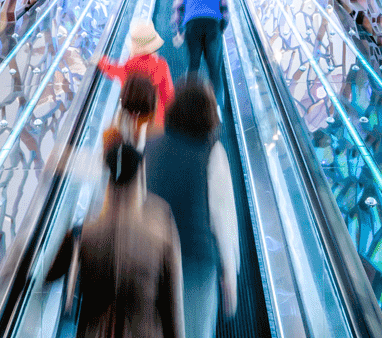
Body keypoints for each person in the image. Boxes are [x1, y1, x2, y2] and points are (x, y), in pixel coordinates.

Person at [47, 136, 186, 338]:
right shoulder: (161, 226)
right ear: (139, 174)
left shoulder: (83, 234)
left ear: (109, 176)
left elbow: (48, 275)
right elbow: (173, 304)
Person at [143, 80, 239, 338]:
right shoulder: (212, 153)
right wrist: (230, 270)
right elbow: (222, 216)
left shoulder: (150, 145)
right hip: (195, 262)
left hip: (151, 256)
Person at [98, 20, 175, 129]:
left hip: (134, 120)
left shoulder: (129, 65)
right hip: (157, 120)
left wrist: (102, 61)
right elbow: (168, 94)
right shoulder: (161, 65)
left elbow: (113, 71)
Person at [171, 0, 226, 77]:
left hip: (193, 24)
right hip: (213, 24)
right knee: (214, 70)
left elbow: (179, 6)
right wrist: (221, 28)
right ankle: (216, 96)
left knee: (193, 65)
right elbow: (224, 7)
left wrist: (179, 31)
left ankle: (190, 94)